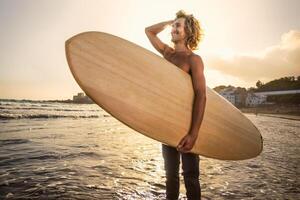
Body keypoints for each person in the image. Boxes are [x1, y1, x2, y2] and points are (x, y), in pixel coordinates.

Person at [145, 10, 206, 200]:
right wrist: (171, 21)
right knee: (170, 177)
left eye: (178, 26)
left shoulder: (194, 60)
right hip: (168, 124)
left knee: (191, 178)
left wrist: (193, 133)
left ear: (188, 31)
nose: (173, 29)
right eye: (173, 26)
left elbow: (201, 95)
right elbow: (149, 31)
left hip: (187, 125)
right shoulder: (168, 54)